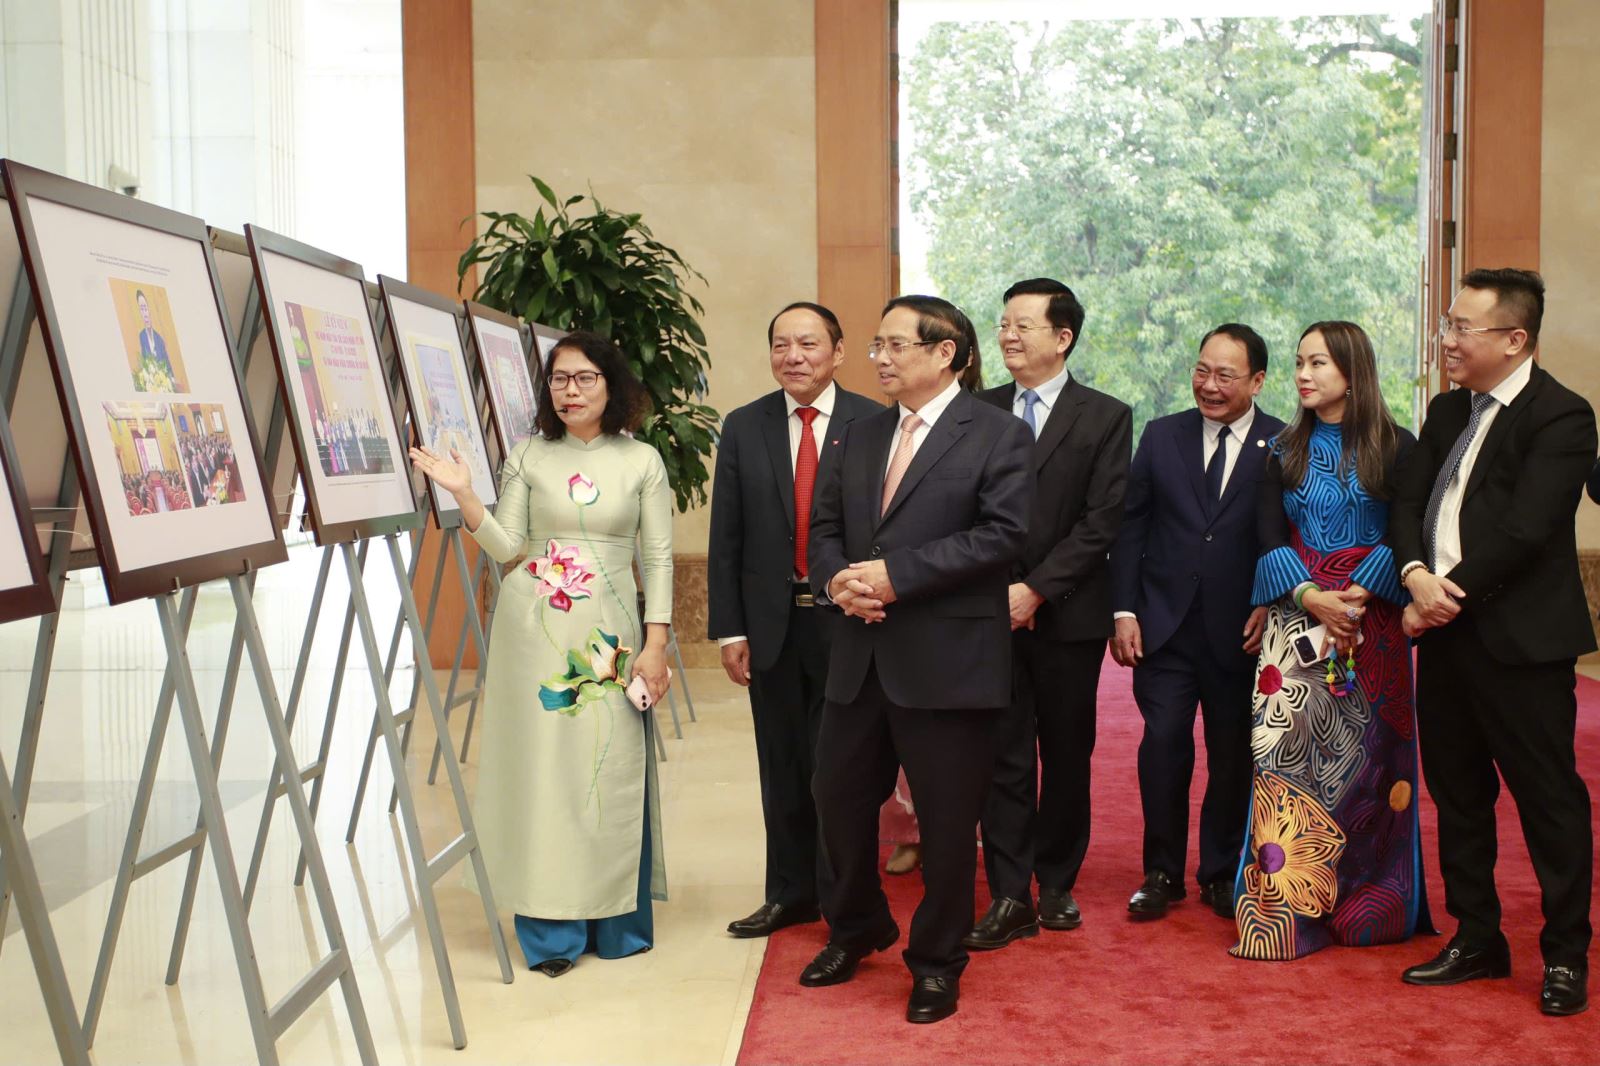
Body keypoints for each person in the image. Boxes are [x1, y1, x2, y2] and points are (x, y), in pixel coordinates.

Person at [409, 330, 672, 978]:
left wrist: (657, 641)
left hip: (611, 637)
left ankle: (615, 923)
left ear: (611, 386)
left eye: (584, 378)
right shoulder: (527, 454)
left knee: (607, 768)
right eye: (559, 379)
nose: (570, 390)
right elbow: (509, 547)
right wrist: (465, 495)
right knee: (544, 772)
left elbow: (659, 557)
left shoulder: (641, 461)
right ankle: (550, 932)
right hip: (534, 634)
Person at [802, 295, 1031, 1024]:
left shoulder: (997, 433)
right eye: (877, 344)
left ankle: (936, 962)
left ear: (946, 353)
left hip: (947, 661)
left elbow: (1004, 535)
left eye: (896, 344)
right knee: (836, 799)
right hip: (860, 654)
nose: (881, 357)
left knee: (947, 820)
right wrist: (837, 583)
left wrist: (896, 577)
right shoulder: (860, 433)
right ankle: (856, 925)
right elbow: (825, 528)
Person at [1391, 268, 1595, 1016]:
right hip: (1446, 640)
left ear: (1514, 339)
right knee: (1459, 795)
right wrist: (1414, 574)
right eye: (1447, 325)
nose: (1446, 340)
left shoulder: (1562, 415)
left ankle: (1565, 954)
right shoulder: (1447, 410)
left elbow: (1526, 529)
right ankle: (1477, 936)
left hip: (1520, 644)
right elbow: (1408, 503)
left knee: (1548, 802)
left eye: (1460, 328)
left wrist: (1444, 599)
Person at [1231, 320, 1428, 961]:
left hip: (1374, 625)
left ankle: (1367, 902)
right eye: (1299, 363)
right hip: (1295, 624)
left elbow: (1407, 531)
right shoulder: (1280, 448)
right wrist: (1311, 596)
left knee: (1371, 764)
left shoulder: (1399, 446)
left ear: (1352, 370)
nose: (1303, 375)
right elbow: (1267, 535)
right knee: (1283, 761)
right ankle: (1283, 914)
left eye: (1318, 363)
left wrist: (1363, 591)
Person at [964, 278, 1130, 950]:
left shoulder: (1106, 416)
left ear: (1063, 338)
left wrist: (1034, 590)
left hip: (1068, 615)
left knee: (1065, 752)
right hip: (989, 613)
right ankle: (1010, 891)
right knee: (1001, 754)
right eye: (1004, 323)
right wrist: (1001, 591)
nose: (1007, 335)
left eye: (1022, 325)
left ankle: (1056, 879)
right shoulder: (977, 409)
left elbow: (1101, 521)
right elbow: (964, 511)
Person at [708, 302, 882, 939]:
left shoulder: (875, 422)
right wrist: (732, 629)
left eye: (808, 344)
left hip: (849, 622)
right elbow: (727, 535)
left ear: (838, 352)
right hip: (772, 625)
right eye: (781, 344)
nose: (794, 356)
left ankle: (845, 901)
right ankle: (789, 893)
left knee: (840, 770)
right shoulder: (744, 425)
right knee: (780, 764)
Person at [1107, 324, 1284, 921]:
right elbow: (1130, 526)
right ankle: (1160, 872)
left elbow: (1287, 535)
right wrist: (1124, 609)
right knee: (1162, 745)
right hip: (1165, 626)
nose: (1209, 385)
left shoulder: (1282, 442)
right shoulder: (1162, 435)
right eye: (1202, 371)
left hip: (1242, 632)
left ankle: (1219, 871)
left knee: (1232, 754)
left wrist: (1271, 600)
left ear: (1257, 381)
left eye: (1225, 375)